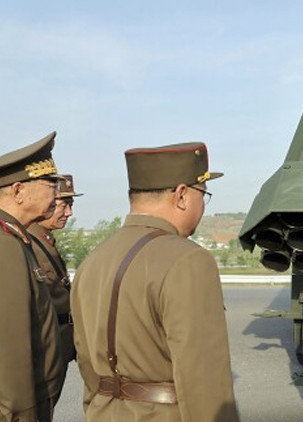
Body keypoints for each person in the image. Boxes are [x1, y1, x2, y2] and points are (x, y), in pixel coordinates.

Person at [71, 142, 239, 421]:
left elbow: (87, 365)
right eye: (203, 194)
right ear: (182, 195)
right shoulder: (188, 260)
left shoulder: (93, 260)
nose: (203, 206)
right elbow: (204, 379)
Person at [0, 132, 66, 422]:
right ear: (18, 191)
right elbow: (10, 353)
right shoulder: (6, 245)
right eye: (50, 184)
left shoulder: (16, 239)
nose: (57, 193)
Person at [28, 174, 82, 386]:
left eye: (71, 205)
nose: (69, 213)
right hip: (44, 352)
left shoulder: (45, 240)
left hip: (59, 348)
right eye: (63, 205)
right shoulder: (27, 243)